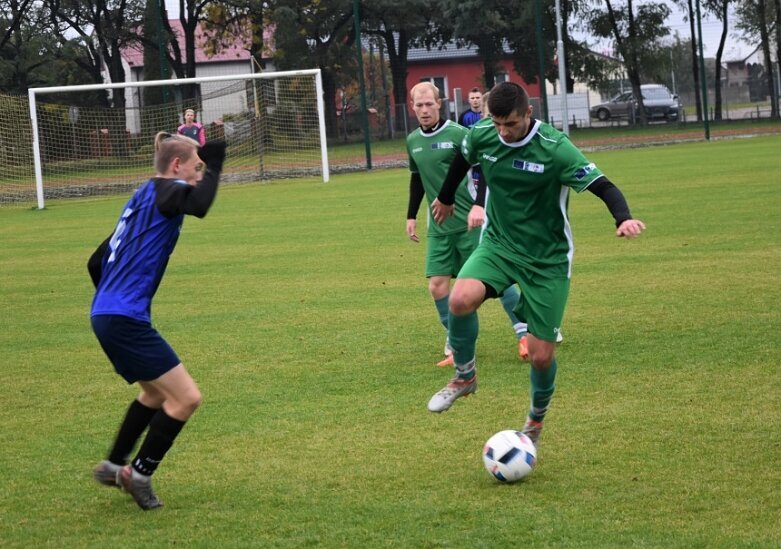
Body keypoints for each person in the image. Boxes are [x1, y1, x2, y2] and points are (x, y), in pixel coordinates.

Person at [427, 82, 646, 452]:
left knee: (541, 355)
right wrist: (446, 198)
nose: (502, 131)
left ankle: (535, 420)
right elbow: (464, 158)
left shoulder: (555, 148)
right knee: (460, 298)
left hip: (547, 260)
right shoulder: (483, 133)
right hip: (499, 245)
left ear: (528, 114)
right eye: (496, 123)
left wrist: (622, 218)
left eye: (510, 123)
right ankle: (465, 378)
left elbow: (603, 185)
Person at [88, 132, 226, 510]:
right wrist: (215, 164)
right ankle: (139, 474)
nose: (198, 176)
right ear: (176, 166)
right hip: (123, 319)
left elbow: (95, 262)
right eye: (195, 168)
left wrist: (113, 298)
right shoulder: (167, 190)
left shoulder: (140, 198)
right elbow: (198, 204)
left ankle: (113, 463)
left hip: (106, 315)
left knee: (154, 394)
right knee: (187, 398)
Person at [406, 81, 527, 368]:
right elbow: (417, 178)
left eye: (429, 104)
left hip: (469, 224)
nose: (424, 110)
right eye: (418, 105)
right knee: (437, 286)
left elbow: (485, 166)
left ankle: (525, 332)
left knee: (492, 282)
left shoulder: (460, 134)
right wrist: (411, 215)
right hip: (438, 226)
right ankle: (456, 343)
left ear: (440, 104)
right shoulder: (412, 141)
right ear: (412, 107)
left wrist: (478, 205)